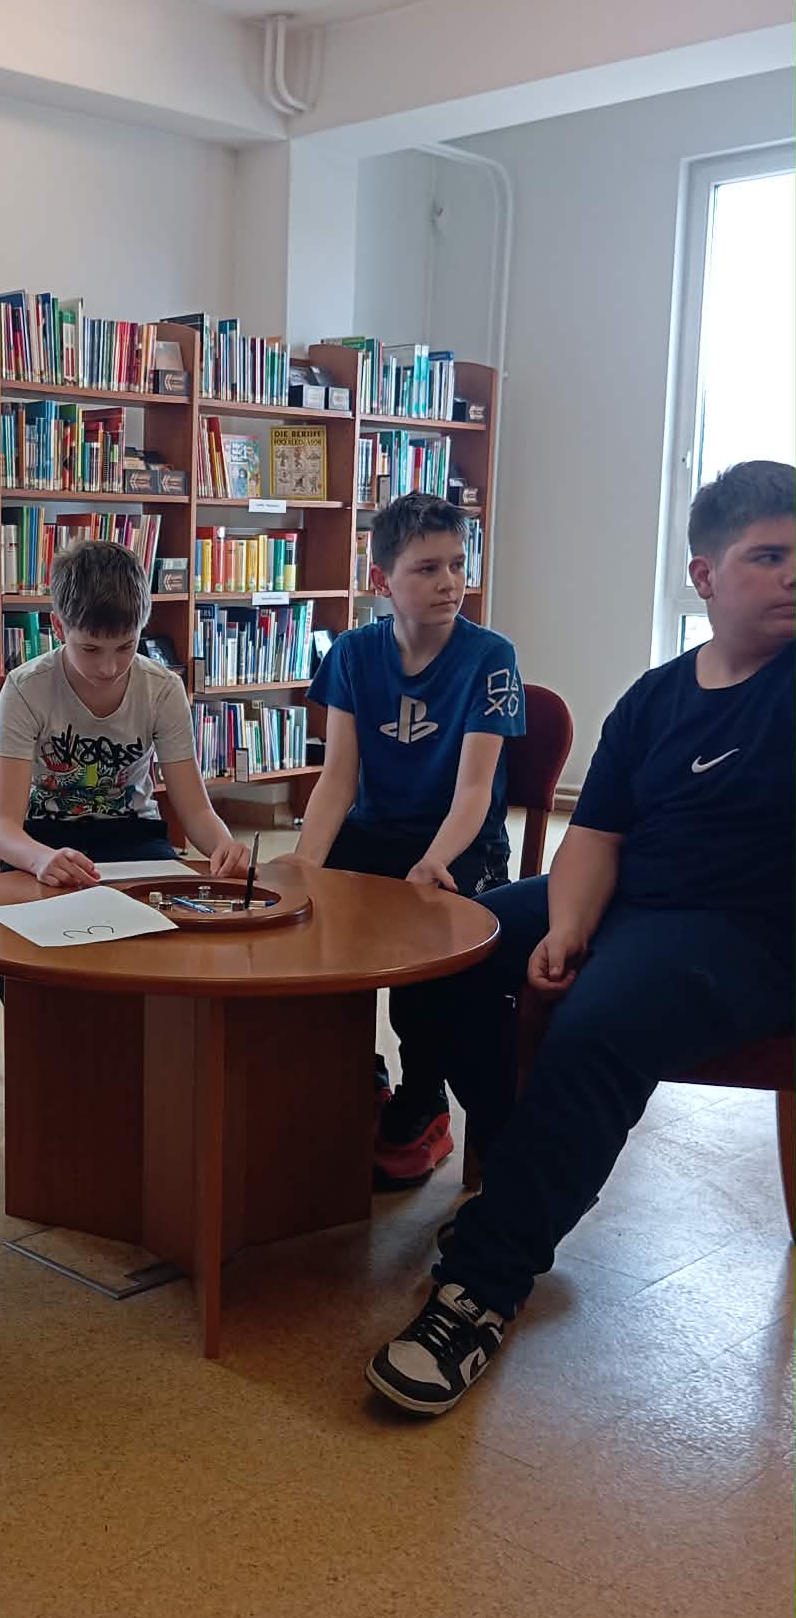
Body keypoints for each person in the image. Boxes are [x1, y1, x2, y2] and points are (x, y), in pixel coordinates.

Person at [369, 460, 796, 1415]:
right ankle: (521, 1177)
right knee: (452, 943)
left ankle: (481, 1287)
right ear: (705, 575)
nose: (792, 575)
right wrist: (566, 925)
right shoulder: (655, 697)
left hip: (748, 934)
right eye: (768, 557)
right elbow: (595, 835)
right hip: (631, 901)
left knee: (599, 1023)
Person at [294, 493, 525, 1186]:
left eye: (456, 564)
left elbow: (475, 792)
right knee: (300, 933)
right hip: (373, 833)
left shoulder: (491, 657)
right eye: (427, 568)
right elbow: (338, 779)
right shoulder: (353, 654)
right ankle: (355, 1072)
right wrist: (302, 864)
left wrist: (432, 861)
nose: (449, 582)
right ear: (381, 580)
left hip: (459, 844)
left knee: (426, 966)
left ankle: (425, 1098)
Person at [0, 538, 250, 886]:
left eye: (126, 646)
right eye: (90, 649)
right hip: (43, 841)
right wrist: (39, 859)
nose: (109, 668)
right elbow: (2, 827)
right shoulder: (26, 688)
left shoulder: (163, 689)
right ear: (59, 627)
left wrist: (224, 846)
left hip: (135, 836)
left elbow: (197, 810)